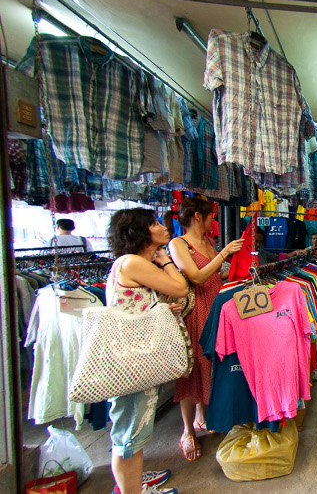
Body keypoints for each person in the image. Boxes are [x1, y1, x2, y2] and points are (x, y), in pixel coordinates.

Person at [107, 208, 189, 494]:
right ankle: (130, 490)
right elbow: (180, 287)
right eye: (155, 223)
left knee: (134, 430)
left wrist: (161, 308)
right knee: (129, 434)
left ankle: (133, 481)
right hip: (131, 361)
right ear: (141, 232)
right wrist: (166, 260)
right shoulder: (132, 263)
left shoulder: (130, 264)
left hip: (134, 357)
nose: (163, 226)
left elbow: (134, 306)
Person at [168, 198, 244, 461]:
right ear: (198, 216)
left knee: (210, 365)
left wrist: (234, 268)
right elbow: (197, 276)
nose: (214, 221)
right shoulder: (178, 244)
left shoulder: (209, 242)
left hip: (215, 308)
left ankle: (204, 415)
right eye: (211, 216)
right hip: (195, 312)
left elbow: (214, 275)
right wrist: (224, 254)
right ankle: (187, 431)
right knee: (192, 370)